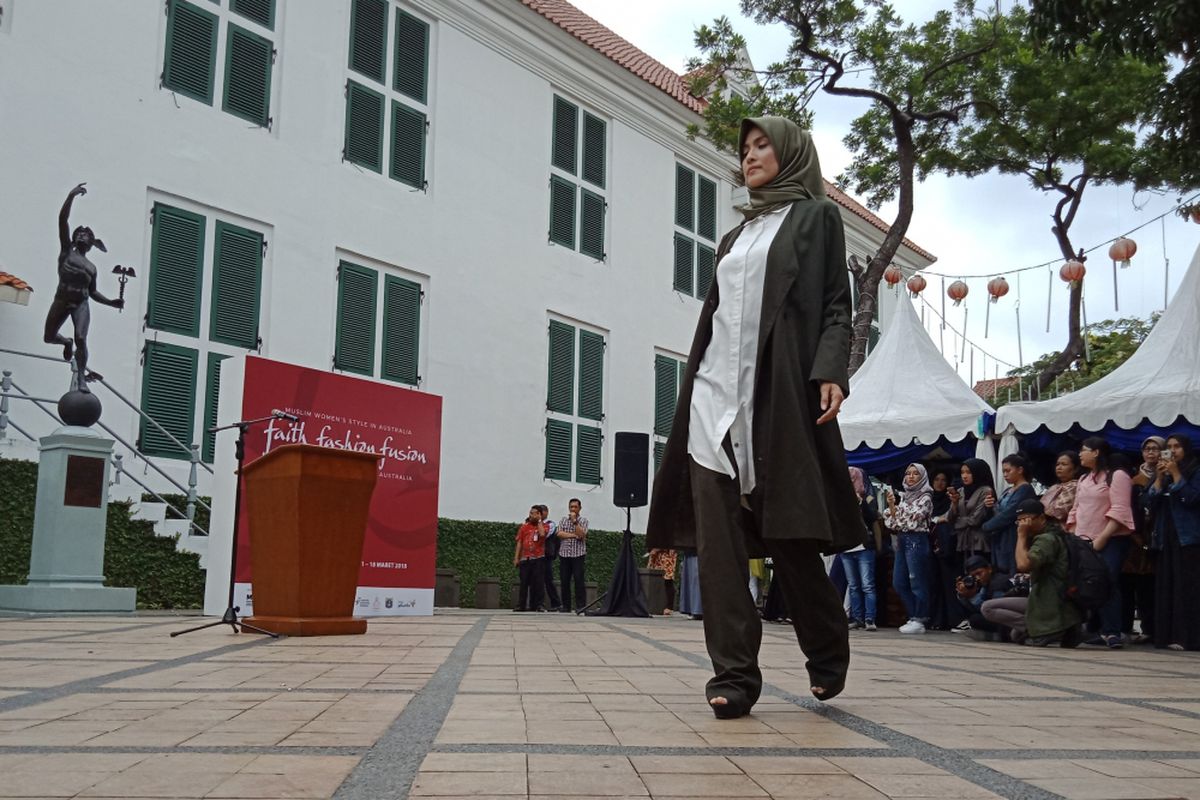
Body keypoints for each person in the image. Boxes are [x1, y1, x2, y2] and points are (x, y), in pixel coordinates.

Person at [646, 117, 862, 719]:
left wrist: (830, 370)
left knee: (791, 539)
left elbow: (834, 308)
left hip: (777, 400)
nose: (750, 156)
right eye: (744, 149)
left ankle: (826, 649)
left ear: (791, 152)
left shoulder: (817, 218)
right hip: (714, 399)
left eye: (763, 145)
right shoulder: (734, 236)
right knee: (719, 551)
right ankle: (734, 677)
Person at [44, 182, 125, 389]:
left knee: (82, 337)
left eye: (86, 235)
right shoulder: (66, 252)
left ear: (91, 243)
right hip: (62, 300)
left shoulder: (92, 267)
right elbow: (62, 219)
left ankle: (81, 378)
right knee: (49, 337)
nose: (81, 235)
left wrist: (111, 303)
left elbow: (93, 292)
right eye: (78, 233)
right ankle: (66, 342)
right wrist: (70, 196)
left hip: (81, 303)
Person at [982, 499, 1083, 647]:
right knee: (1014, 634)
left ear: (1041, 518)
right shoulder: (1050, 534)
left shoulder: (1046, 540)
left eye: (1026, 520)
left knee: (988, 608)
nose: (1023, 525)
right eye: (1020, 522)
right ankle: (1057, 628)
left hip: (1050, 600)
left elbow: (1023, 565)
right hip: (1043, 598)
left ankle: (1050, 630)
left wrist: (1021, 536)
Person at [1068, 436, 1135, 648]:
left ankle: (1113, 631)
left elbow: (1120, 510)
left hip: (1111, 539)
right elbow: (1076, 508)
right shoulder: (1084, 479)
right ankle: (1095, 628)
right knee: (1089, 583)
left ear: (1096, 452)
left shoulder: (1117, 476)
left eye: (1084, 450)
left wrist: (1103, 537)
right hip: (1084, 539)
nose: (1080, 454)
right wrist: (1072, 533)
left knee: (1108, 581)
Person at [1146, 434, 1200, 651]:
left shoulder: (1195, 471)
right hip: (1165, 536)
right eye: (1168, 447)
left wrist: (1177, 475)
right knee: (1166, 585)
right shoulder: (1164, 473)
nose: (1172, 451)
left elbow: (1192, 498)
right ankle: (1167, 635)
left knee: (1187, 588)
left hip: (1188, 536)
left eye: (1177, 446)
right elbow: (1148, 502)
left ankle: (1189, 637)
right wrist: (1159, 479)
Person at [882, 463, 934, 634]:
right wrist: (892, 507)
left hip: (917, 539)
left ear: (922, 477)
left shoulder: (925, 497)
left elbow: (912, 521)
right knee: (899, 581)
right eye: (908, 473)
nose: (911, 477)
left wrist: (896, 513)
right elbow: (892, 523)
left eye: (915, 474)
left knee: (916, 580)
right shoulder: (904, 497)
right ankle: (913, 616)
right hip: (903, 539)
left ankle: (920, 617)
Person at [1123, 437, 1163, 643]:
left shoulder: (1168, 475)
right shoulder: (1134, 478)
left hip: (1158, 534)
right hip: (1135, 537)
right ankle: (1129, 626)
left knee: (1152, 585)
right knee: (1134, 583)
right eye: (1147, 449)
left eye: (1157, 449)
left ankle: (1152, 627)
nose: (1151, 453)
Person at [982, 454, 1037, 575]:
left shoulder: (1025, 489)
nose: (1005, 474)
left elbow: (1009, 513)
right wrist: (989, 507)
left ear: (1020, 470)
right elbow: (998, 511)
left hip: (1014, 534)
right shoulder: (1007, 490)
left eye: (1008, 470)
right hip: (1000, 536)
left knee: (1013, 569)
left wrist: (986, 526)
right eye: (1003, 471)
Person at [839, 467, 879, 632]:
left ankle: (870, 618)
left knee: (867, 584)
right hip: (847, 547)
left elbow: (873, 518)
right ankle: (857, 618)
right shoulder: (840, 498)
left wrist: (861, 503)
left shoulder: (868, 497)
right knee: (853, 585)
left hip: (864, 546)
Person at [948, 459, 996, 568]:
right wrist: (955, 504)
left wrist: (958, 522)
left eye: (968, 472)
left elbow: (976, 519)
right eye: (962, 472)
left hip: (979, 543)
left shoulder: (985, 491)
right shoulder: (960, 491)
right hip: (962, 543)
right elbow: (950, 518)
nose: (964, 476)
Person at [927, 470, 960, 630]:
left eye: (943, 480)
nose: (940, 483)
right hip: (930, 546)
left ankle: (951, 619)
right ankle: (936, 619)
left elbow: (950, 518)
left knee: (947, 583)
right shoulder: (927, 499)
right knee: (934, 583)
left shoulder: (950, 500)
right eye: (937, 479)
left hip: (947, 548)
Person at [955, 555, 1016, 640]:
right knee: (973, 618)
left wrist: (972, 597)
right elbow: (979, 607)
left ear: (989, 569)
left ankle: (1003, 635)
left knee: (975, 619)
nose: (977, 578)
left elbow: (993, 610)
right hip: (1002, 618)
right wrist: (965, 596)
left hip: (1009, 620)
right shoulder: (986, 583)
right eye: (974, 576)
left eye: (979, 573)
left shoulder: (998, 583)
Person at [512, 506, 546, 612]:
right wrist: (516, 558)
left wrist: (539, 521)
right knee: (524, 583)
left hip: (538, 558)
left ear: (539, 514)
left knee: (538, 582)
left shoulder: (544, 526)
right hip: (525, 558)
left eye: (535, 513)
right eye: (530, 513)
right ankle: (521, 605)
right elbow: (519, 542)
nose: (532, 515)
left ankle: (539, 605)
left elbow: (542, 534)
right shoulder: (524, 527)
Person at [557, 498, 588, 613]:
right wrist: (573, 535)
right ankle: (566, 606)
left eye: (575, 507)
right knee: (564, 581)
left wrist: (575, 522)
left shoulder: (583, 521)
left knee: (579, 580)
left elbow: (581, 534)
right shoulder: (563, 520)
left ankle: (581, 606)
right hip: (564, 554)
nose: (573, 509)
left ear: (580, 508)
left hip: (578, 554)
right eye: (571, 507)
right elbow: (559, 533)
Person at [1040, 451, 1081, 524]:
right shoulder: (1055, 487)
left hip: (1062, 529)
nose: (1059, 467)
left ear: (1076, 469)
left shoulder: (1075, 486)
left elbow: (1059, 511)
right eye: (1057, 464)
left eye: (1064, 464)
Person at [537, 504, 561, 612]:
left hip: (546, 555)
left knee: (548, 580)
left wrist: (539, 523)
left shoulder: (551, 524)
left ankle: (556, 603)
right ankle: (537, 603)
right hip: (536, 555)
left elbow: (544, 535)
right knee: (537, 580)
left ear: (546, 513)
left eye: (540, 513)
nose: (539, 515)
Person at [647, 548, 677, 615]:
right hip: (656, 555)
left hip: (667, 554)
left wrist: (657, 549)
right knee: (654, 578)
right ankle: (654, 604)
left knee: (668, 580)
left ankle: (669, 607)